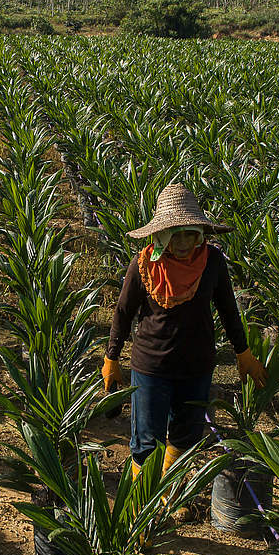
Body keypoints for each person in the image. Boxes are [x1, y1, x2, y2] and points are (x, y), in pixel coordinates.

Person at [103, 183, 265, 475]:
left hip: (197, 365)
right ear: (160, 234)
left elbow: (228, 310)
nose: (182, 242)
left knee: (187, 435)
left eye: (189, 233)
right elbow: (123, 313)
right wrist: (111, 357)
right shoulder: (143, 265)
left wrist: (243, 353)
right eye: (174, 234)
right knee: (146, 440)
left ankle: (170, 490)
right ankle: (145, 501)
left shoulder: (212, 262)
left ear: (200, 233)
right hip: (152, 366)